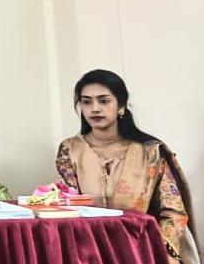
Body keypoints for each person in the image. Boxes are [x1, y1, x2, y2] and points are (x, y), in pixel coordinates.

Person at [56, 69, 197, 263]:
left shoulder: (150, 152)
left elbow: (173, 212)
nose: (94, 108)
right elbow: (69, 207)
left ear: (121, 105)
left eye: (104, 101)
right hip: (89, 251)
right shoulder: (70, 150)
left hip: (143, 250)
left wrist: (157, 251)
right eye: (87, 102)